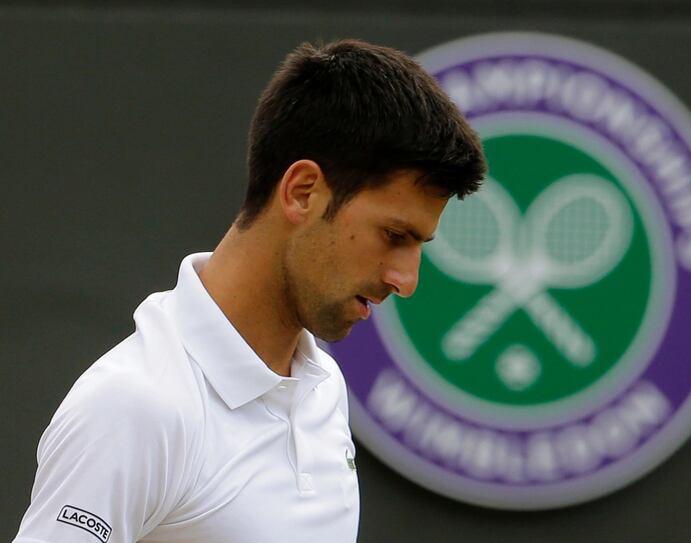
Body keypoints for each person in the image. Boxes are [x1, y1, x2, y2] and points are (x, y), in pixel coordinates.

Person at [13, 39, 486, 543]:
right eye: (394, 236)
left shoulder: (322, 386)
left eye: (419, 246)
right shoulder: (133, 408)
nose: (405, 280)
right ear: (303, 191)